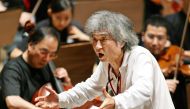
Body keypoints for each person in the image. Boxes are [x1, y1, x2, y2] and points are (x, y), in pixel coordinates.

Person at [34, 10, 174, 109]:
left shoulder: (139, 56)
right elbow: (88, 89)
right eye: (94, 40)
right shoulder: (106, 62)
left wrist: (115, 101)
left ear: (121, 41)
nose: (98, 46)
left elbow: (143, 91)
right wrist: (60, 99)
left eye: (103, 40)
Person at [0, 26, 72, 109]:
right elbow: (12, 101)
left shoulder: (47, 65)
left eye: (52, 54)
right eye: (43, 52)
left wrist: (67, 84)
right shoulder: (12, 69)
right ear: (30, 45)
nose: (47, 59)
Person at [10, 0, 89, 59]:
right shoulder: (41, 28)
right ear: (50, 12)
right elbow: (15, 53)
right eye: (58, 18)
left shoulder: (75, 28)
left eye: (67, 18)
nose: (62, 22)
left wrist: (86, 38)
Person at [141, 15, 188, 109]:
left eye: (160, 38)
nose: (155, 43)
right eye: (150, 36)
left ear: (167, 39)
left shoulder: (174, 57)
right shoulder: (135, 56)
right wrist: (160, 86)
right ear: (143, 36)